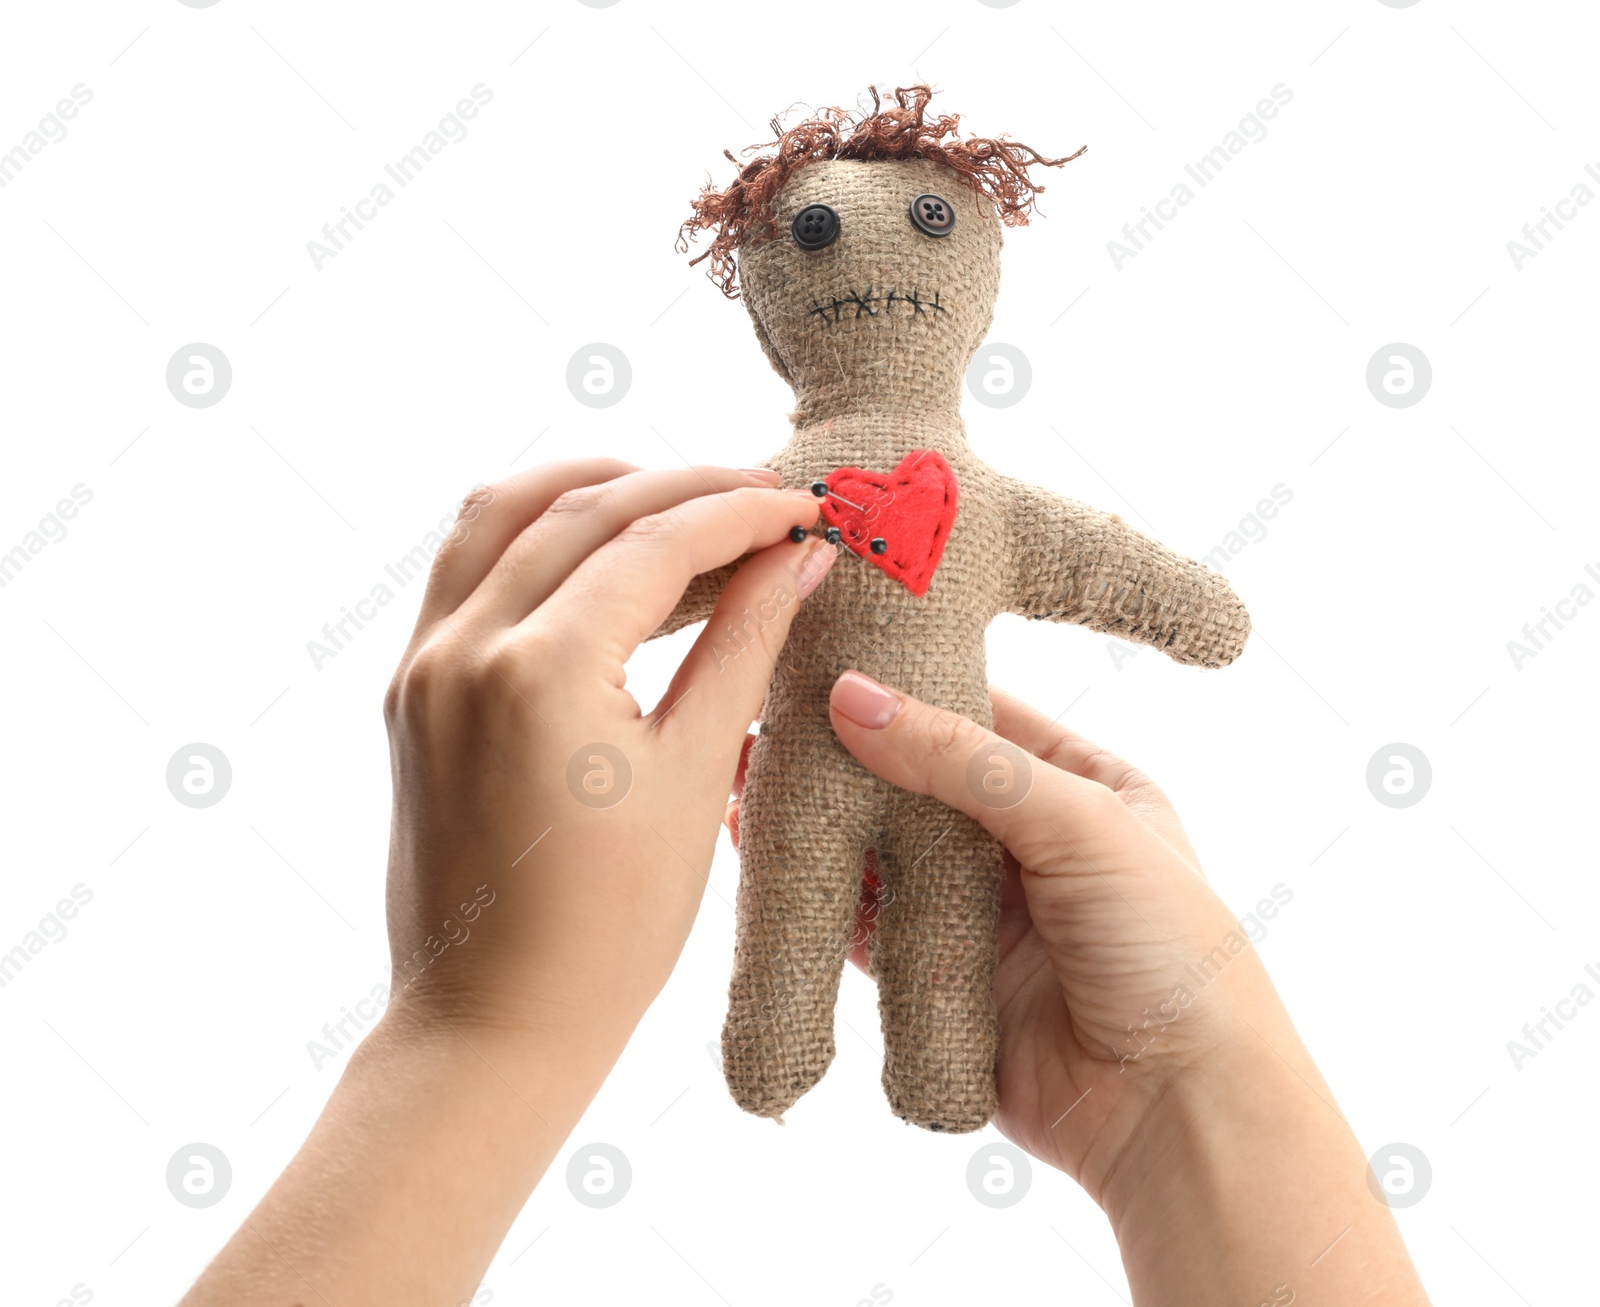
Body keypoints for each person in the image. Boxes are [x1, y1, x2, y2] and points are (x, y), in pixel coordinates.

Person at [179, 461, 1431, 1306]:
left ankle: (906, 1055)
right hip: (801, 782)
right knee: (793, 896)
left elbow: (1135, 580)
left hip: (920, 805)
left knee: (929, 901)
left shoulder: (956, 508)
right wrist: (1178, 1089)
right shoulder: (791, 503)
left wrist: (480, 1028)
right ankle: (783, 1046)